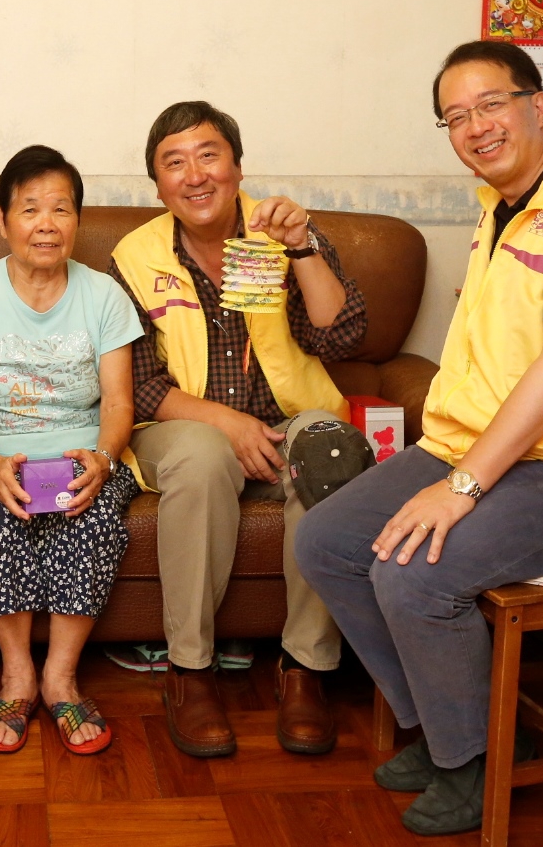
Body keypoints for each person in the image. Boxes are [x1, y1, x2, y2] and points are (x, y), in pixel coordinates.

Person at [296, 41, 543, 836]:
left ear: (539, 105)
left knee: (413, 574)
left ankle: (473, 760)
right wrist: (452, 465)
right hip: (470, 444)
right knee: (327, 542)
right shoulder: (497, 205)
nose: (475, 127)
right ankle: (450, 729)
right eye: (455, 116)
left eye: (491, 105)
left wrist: (463, 485)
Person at [107, 101, 367, 758]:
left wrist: (303, 247)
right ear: (159, 186)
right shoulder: (135, 257)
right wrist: (228, 423)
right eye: (174, 163)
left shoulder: (280, 232)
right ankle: (190, 671)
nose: (194, 175)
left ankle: (305, 669)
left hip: (284, 424)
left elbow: (340, 335)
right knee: (200, 454)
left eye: (208, 155)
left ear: (237, 166)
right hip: (182, 428)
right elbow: (138, 384)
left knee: (333, 448)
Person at [0, 146, 142, 757]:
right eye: (30, 209)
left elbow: (119, 405)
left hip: (84, 454)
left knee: (93, 515)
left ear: (78, 221)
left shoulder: (104, 297)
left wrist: (100, 459)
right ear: (3, 221)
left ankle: (61, 678)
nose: (46, 223)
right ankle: (18, 674)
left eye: (61, 209)